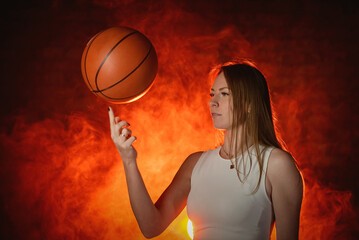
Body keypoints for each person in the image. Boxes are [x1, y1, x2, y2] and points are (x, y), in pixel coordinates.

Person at [108, 61, 303, 240]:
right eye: (212, 94)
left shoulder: (276, 164)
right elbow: (151, 226)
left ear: (249, 104)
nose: (212, 102)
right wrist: (129, 161)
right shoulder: (195, 163)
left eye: (224, 94)